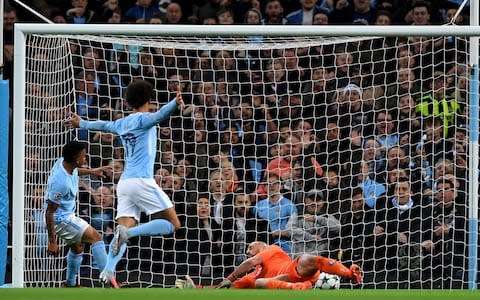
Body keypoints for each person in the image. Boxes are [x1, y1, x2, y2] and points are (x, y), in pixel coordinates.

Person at [64, 79, 184, 285]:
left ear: (129, 102)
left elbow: (103, 125)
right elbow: (161, 115)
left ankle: (108, 271)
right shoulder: (143, 119)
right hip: (141, 181)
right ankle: (130, 233)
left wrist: (81, 123)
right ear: (149, 98)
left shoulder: (122, 123)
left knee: (123, 232)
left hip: (125, 184)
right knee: (173, 223)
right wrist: (175, 102)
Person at [45, 141, 110, 287]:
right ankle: (109, 281)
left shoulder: (64, 162)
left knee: (78, 247)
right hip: (60, 219)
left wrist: (92, 171)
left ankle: (70, 284)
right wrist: (52, 241)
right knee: (96, 238)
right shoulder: (60, 182)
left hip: (66, 214)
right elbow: (50, 212)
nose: (85, 158)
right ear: (76, 158)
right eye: (84, 156)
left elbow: (75, 171)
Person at [215, 241, 362, 289]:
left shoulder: (271, 249)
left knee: (307, 259)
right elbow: (235, 287)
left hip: (294, 269)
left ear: (262, 245)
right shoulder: (254, 273)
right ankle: (297, 287)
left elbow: (250, 262)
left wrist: (231, 278)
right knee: (259, 282)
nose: (248, 251)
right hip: (285, 280)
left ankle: (349, 274)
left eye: (250, 247)